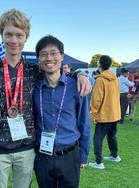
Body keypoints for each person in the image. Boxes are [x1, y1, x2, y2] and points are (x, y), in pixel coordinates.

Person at [0, 8, 91, 188]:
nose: (14, 40)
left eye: (19, 35)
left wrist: (80, 74)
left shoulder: (32, 70)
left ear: (26, 37)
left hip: (27, 149)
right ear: (1, 35)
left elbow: (58, 72)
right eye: (9, 34)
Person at [33, 35, 91, 188]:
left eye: (54, 53)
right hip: (42, 156)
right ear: (38, 58)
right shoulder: (33, 86)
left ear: (62, 56)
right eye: (43, 54)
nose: (49, 58)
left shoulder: (77, 86)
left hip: (70, 155)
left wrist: (83, 155)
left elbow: (84, 122)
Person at [89, 55, 121, 170]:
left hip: (105, 114)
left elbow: (96, 99)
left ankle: (98, 162)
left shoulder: (100, 80)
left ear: (100, 65)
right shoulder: (115, 79)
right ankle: (114, 155)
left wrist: (93, 113)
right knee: (111, 135)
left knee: (97, 138)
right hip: (114, 113)